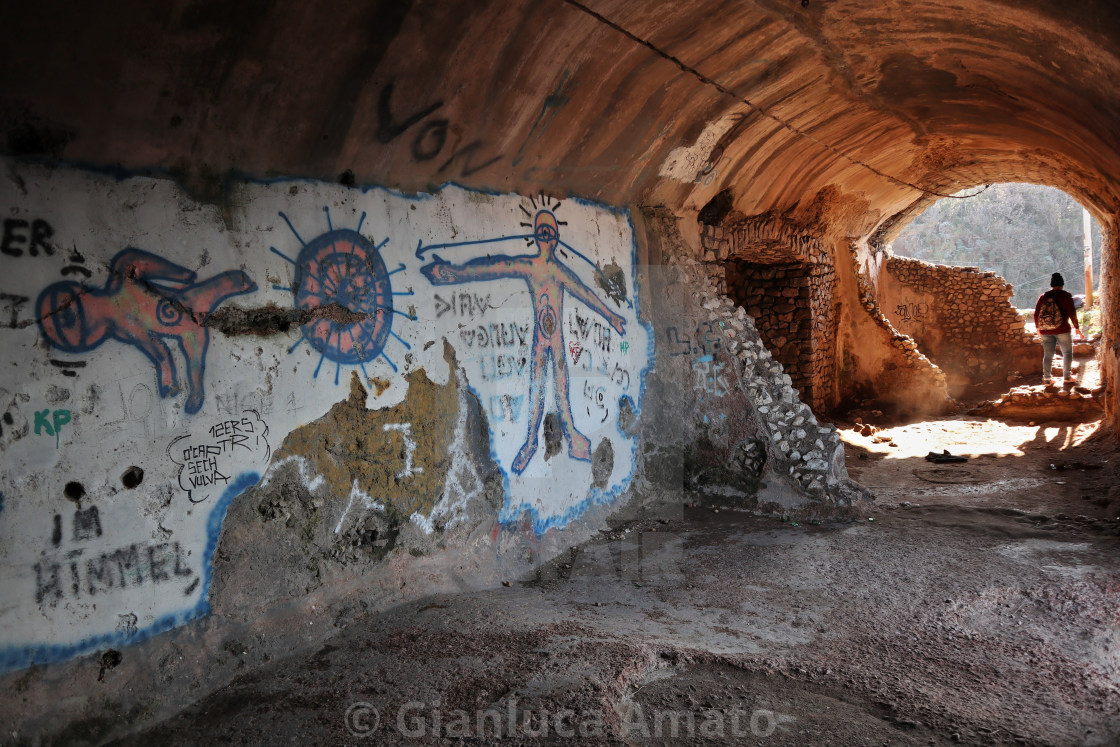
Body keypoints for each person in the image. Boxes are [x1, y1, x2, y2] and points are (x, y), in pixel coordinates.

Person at [1033, 272, 1084, 384]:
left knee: (1048, 355)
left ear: (1052, 285)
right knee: (1067, 353)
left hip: (1045, 330)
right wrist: (1077, 328)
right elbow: (1072, 312)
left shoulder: (1044, 296)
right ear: (1062, 284)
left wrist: (1038, 328)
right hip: (1063, 330)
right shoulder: (1066, 296)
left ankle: (1047, 379)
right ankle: (1067, 377)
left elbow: (1036, 314)